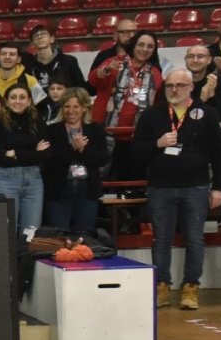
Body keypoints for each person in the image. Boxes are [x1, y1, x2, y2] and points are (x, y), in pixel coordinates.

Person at [133, 68, 221, 312]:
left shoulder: (207, 113)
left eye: (179, 85)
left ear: (191, 87)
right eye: (169, 85)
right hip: (160, 187)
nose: (174, 90)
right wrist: (158, 143)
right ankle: (162, 286)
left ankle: (191, 287)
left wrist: (218, 188)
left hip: (195, 187)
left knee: (195, 239)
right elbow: (135, 152)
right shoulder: (151, 115)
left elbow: (219, 153)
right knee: (161, 239)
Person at [90, 28, 161, 181]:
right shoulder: (115, 63)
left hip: (136, 137)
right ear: (133, 45)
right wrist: (107, 69)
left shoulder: (155, 72)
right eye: (141, 44)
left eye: (150, 47)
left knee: (131, 180)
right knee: (102, 179)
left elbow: (158, 102)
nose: (145, 49)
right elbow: (93, 80)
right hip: (106, 131)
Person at [41, 87, 109, 232]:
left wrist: (84, 150)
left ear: (84, 108)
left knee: (84, 237)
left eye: (75, 106)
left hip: (87, 191)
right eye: (67, 106)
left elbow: (102, 159)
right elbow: (49, 160)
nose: (70, 111)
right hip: (59, 191)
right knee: (59, 237)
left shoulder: (95, 129)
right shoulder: (52, 130)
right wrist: (72, 148)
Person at [0, 84, 48, 233]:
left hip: (34, 179)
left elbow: (45, 155)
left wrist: (15, 152)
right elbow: (0, 158)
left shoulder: (38, 123)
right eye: (13, 97)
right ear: (6, 101)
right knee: (6, 230)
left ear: (29, 101)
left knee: (31, 230)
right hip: (7, 179)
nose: (18, 101)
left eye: (22, 97)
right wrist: (33, 152)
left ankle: (27, 257)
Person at [185, 42, 221, 124]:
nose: (195, 60)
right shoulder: (178, 81)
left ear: (209, 60)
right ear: (185, 59)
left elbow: (219, 115)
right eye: (191, 56)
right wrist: (203, 98)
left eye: (200, 56)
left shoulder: (216, 81)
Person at [27, 25, 85, 90]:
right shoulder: (29, 66)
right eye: (35, 36)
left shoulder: (69, 61)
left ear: (52, 39)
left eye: (43, 34)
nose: (40, 37)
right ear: (31, 44)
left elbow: (80, 88)